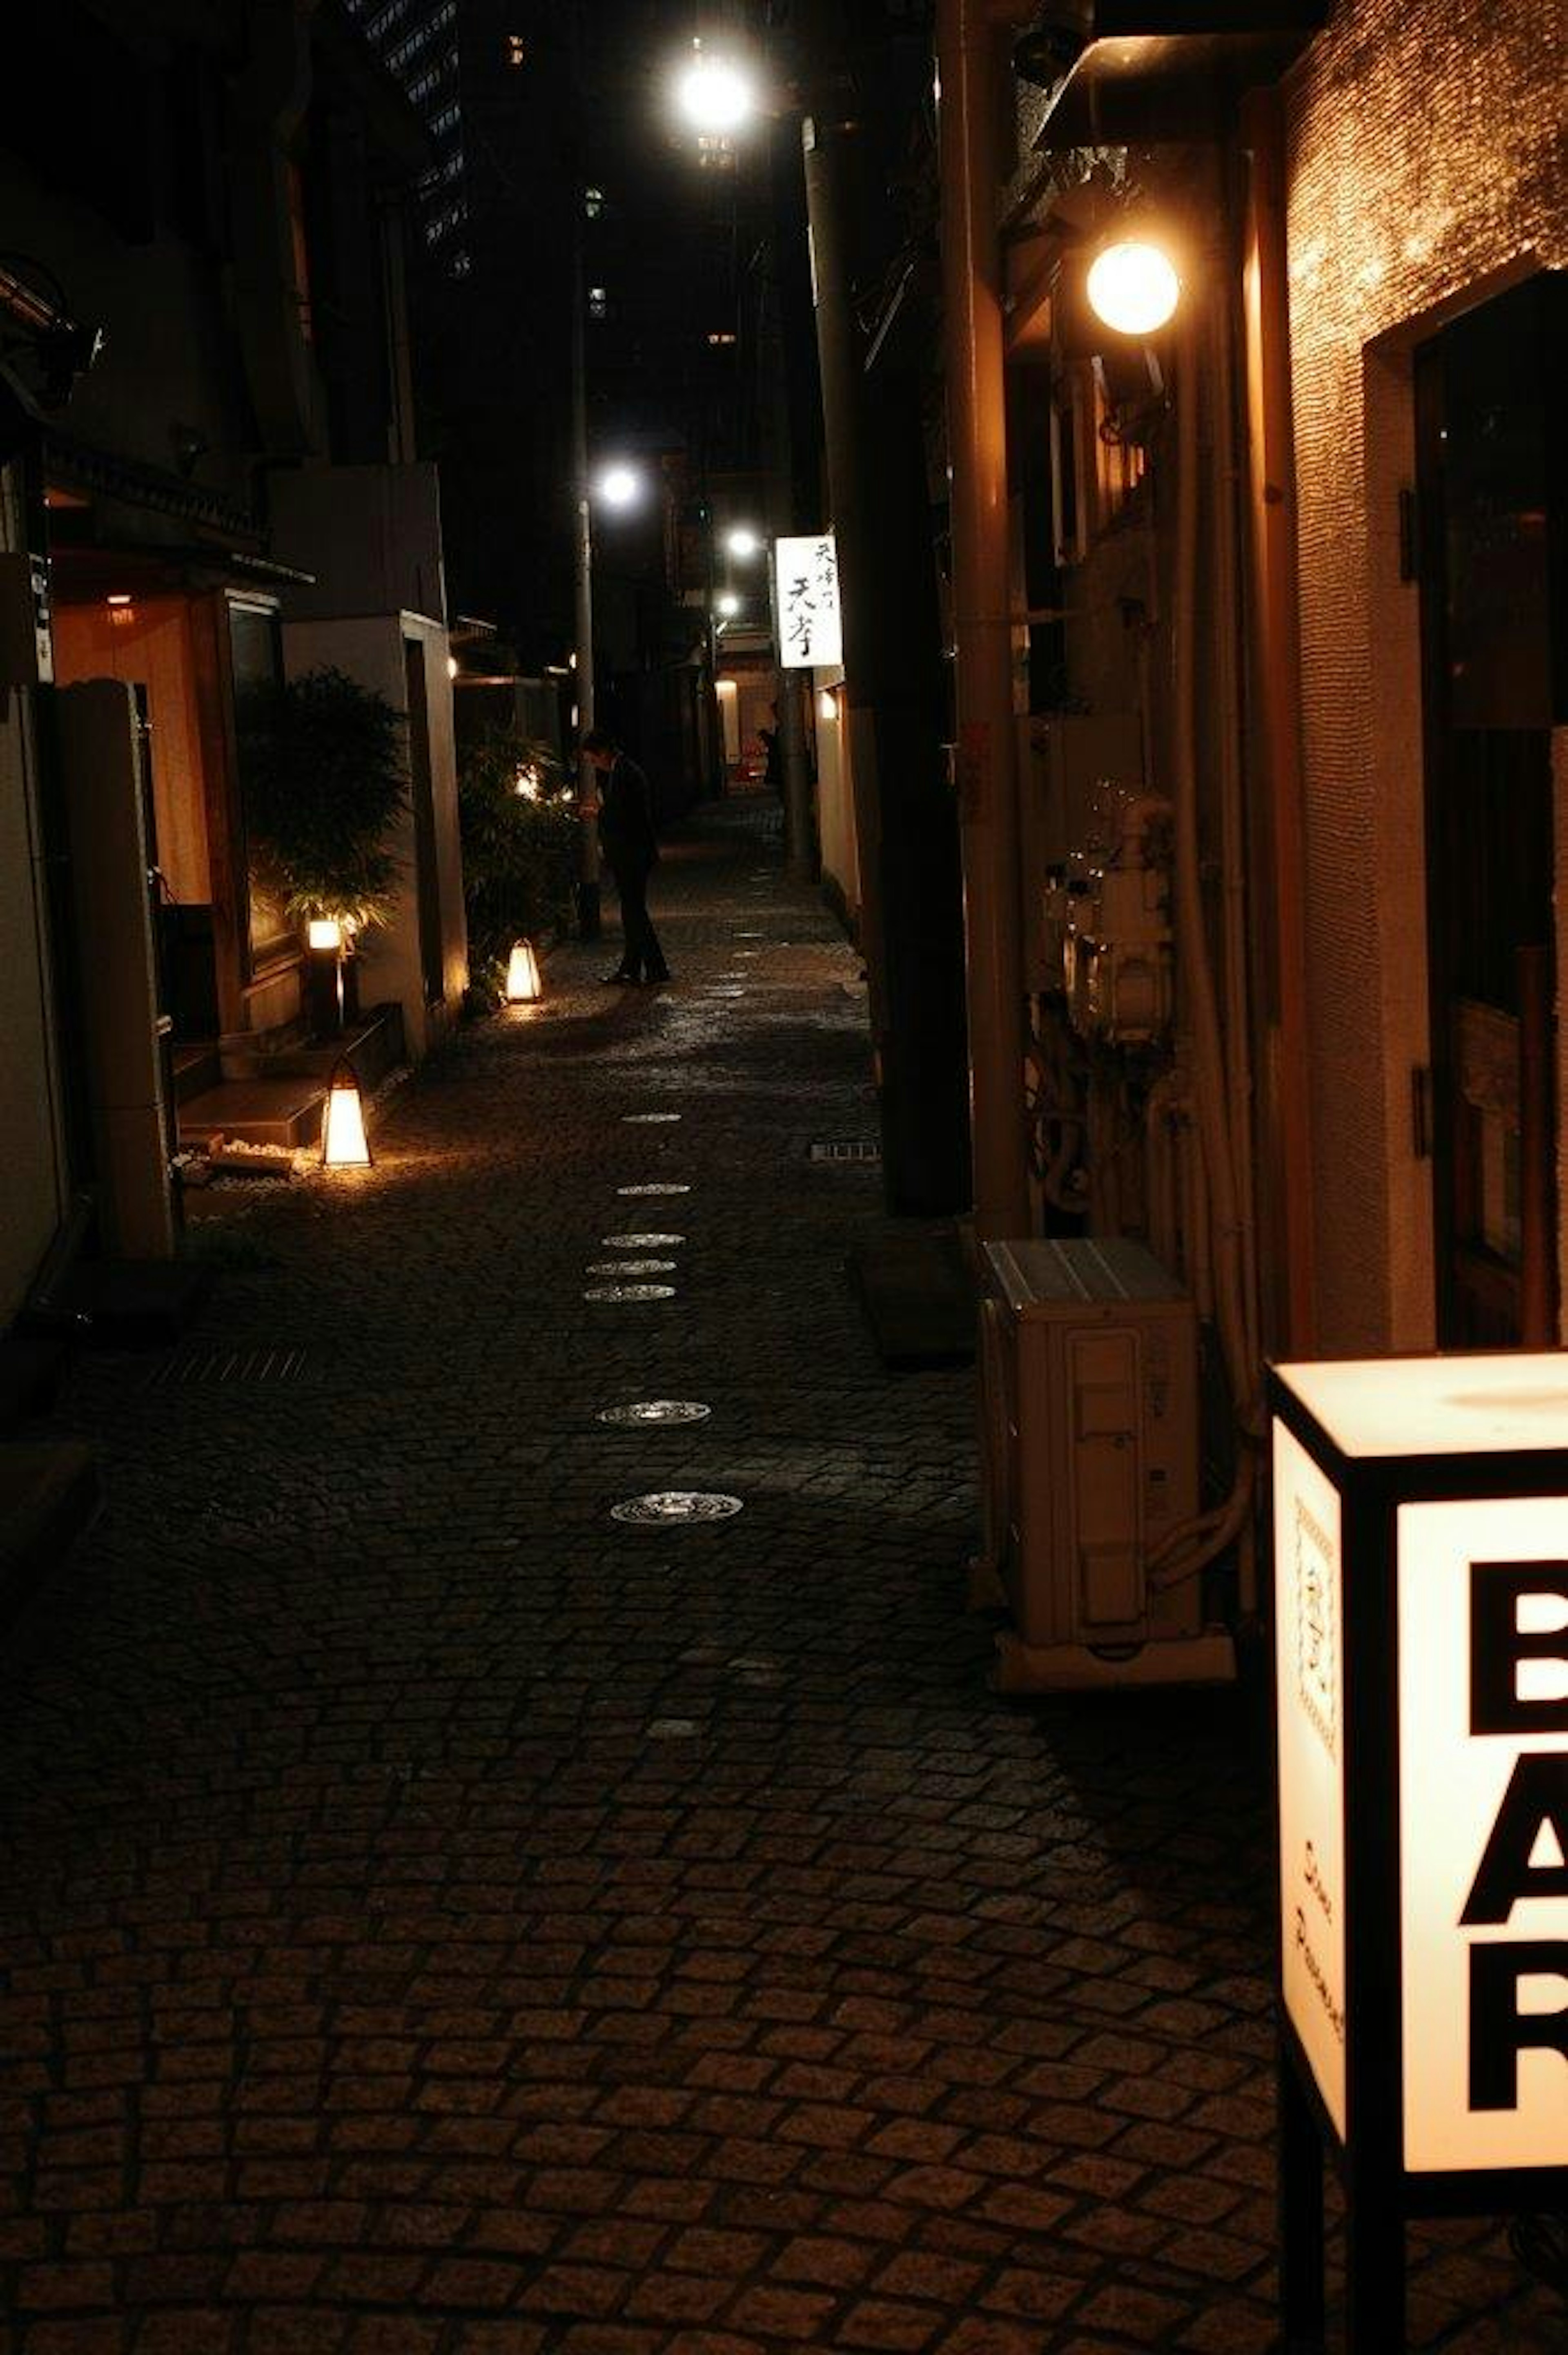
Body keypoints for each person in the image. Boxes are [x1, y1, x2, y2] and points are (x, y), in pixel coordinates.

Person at [580, 727, 670, 986]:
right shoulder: (621, 772)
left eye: (594, 759)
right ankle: (632, 967)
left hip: (632, 854)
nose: (594, 765)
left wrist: (597, 812)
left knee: (634, 912)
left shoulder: (625, 774)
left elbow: (625, 816)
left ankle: (655, 967)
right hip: (631, 853)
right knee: (632, 912)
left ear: (604, 753)